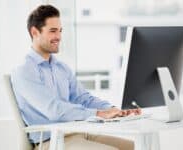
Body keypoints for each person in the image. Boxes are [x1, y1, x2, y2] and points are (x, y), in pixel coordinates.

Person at [11, 4, 141, 150]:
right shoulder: (24, 70)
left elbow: (84, 99)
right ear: (35, 32)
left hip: (79, 133)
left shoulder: (61, 68)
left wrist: (115, 110)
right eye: (53, 31)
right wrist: (100, 113)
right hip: (51, 141)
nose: (59, 37)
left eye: (60, 31)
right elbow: (54, 110)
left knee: (138, 147)